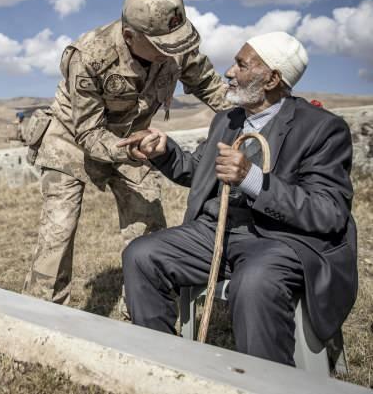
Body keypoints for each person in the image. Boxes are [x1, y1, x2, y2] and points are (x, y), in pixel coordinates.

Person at [120, 32, 357, 365]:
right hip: (215, 233)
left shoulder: (321, 129)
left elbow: (328, 211)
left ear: (273, 78)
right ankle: (165, 366)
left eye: (241, 65)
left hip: (282, 240)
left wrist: (252, 178)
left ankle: (266, 384)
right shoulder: (227, 119)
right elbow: (199, 170)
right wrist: (163, 151)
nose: (229, 72)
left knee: (255, 281)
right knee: (142, 254)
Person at [23, 0, 232, 305]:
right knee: (59, 230)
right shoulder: (90, 55)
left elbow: (210, 85)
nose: (170, 51)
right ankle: (43, 315)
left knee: (149, 225)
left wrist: (255, 117)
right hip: (71, 140)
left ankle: (142, 313)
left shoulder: (174, 42)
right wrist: (127, 150)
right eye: (159, 45)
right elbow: (89, 133)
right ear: (130, 35)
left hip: (134, 138)